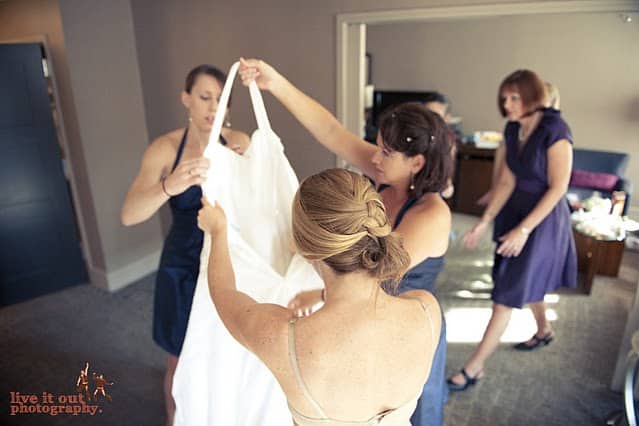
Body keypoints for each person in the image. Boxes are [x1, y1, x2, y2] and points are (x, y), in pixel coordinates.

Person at [239, 58, 452, 426]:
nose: (374, 157)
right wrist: (275, 83)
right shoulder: (387, 175)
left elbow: (379, 269)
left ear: (416, 163)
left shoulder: (432, 215)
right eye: (378, 146)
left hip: (402, 326)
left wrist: (318, 290)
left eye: (386, 152)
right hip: (360, 314)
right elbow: (331, 131)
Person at [197, 168, 442, 424]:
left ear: (307, 251)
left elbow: (223, 292)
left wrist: (218, 231)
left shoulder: (281, 338)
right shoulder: (426, 310)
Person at [120, 64, 250, 425]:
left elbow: (255, 206)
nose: (213, 107)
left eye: (221, 100)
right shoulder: (164, 149)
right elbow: (129, 214)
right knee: (179, 357)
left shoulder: (240, 141)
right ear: (186, 99)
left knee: (224, 351)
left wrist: (244, 170)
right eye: (205, 97)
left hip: (227, 259)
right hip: (183, 263)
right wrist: (169, 185)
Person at [448, 70, 577, 391]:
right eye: (504, 98)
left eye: (515, 97)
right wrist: (484, 220)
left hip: (541, 221)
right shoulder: (513, 127)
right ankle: (544, 330)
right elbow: (506, 181)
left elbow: (559, 187)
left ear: (533, 96)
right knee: (519, 280)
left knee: (505, 295)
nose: (507, 104)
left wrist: (524, 230)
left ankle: (473, 368)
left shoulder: (555, 129)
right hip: (514, 212)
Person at [477, 81, 561, 206]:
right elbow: (504, 164)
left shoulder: (553, 131)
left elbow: (557, 186)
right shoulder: (514, 128)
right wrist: (494, 189)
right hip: (512, 192)